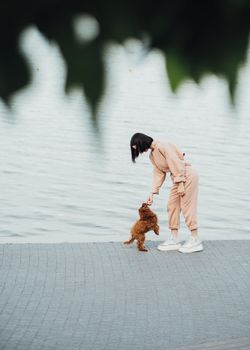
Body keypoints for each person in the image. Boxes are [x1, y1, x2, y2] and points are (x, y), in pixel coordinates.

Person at [130, 132, 203, 253]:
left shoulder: (163, 146)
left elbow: (175, 162)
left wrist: (180, 183)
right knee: (172, 205)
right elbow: (159, 173)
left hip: (186, 175)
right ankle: (175, 238)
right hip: (178, 178)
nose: (138, 151)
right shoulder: (152, 156)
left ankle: (195, 238)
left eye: (137, 148)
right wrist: (152, 193)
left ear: (141, 142)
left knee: (187, 206)